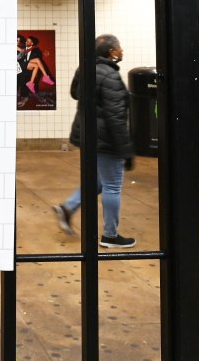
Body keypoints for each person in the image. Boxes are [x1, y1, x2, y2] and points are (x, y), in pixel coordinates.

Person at [52, 34, 136, 248]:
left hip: (88, 136)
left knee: (98, 181)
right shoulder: (111, 76)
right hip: (106, 140)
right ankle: (110, 235)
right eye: (119, 48)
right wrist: (125, 150)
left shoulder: (84, 69)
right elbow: (116, 118)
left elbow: (74, 93)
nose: (122, 51)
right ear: (111, 52)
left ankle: (68, 207)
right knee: (112, 186)